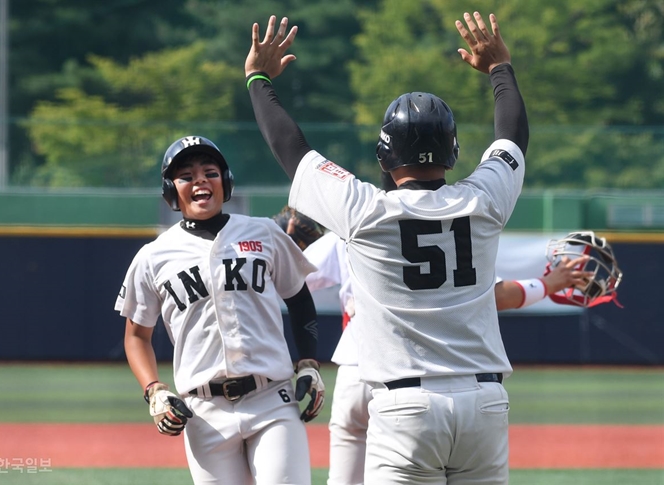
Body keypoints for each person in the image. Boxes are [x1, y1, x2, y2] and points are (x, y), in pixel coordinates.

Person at [245, 11, 528, 483]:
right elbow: (512, 138)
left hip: (406, 408)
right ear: (452, 152)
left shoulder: (364, 211)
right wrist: (500, 68)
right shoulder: (483, 201)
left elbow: (291, 148)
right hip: (484, 403)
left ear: (383, 155)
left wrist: (259, 79)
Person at [304, 222, 595, 485]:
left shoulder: (353, 223)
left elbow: (292, 280)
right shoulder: (447, 226)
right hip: (419, 378)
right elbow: (498, 295)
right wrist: (547, 284)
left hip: (357, 366)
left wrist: (288, 243)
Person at [114, 135, 325, 485]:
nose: (199, 180)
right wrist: (153, 389)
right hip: (203, 412)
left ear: (225, 183)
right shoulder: (153, 257)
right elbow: (136, 336)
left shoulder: (264, 233)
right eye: (186, 175)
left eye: (209, 172)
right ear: (171, 191)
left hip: (271, 399)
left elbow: (300, 299)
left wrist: (309, 363)